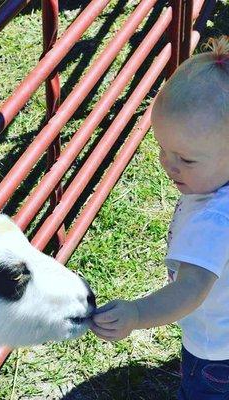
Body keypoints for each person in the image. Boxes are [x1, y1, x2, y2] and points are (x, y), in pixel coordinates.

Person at [91, 36, 229, 399]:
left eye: (186, 159)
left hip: (216, 350)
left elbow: (189, 290)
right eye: (162, 149)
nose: (169, 165)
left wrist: (137, 314)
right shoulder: (214, 186)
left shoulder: (213, 221)